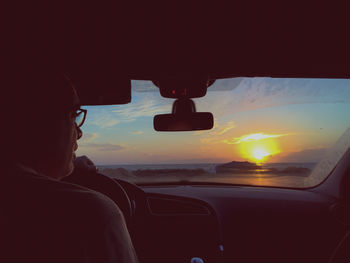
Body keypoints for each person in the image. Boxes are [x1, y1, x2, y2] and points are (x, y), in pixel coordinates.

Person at [0, 71, 139, 263]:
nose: (79, 133)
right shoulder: (93, 215)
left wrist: (65, 166)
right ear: (41, 122)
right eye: (73, 115)